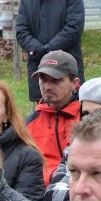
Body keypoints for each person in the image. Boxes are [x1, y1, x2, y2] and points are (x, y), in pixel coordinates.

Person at [15, 0, 85, 104]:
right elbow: (21, 30)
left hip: (66, 68)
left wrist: (48, 51)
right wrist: (37, 50)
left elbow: (74, 28)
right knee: (40, 119)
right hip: (38, 67)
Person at [25, 51, 82, 184]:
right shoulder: (28, 124)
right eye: (43, 79)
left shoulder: (88, 117)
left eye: (56, 80)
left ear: (75, 83)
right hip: (40, 194)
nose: (48, 87)